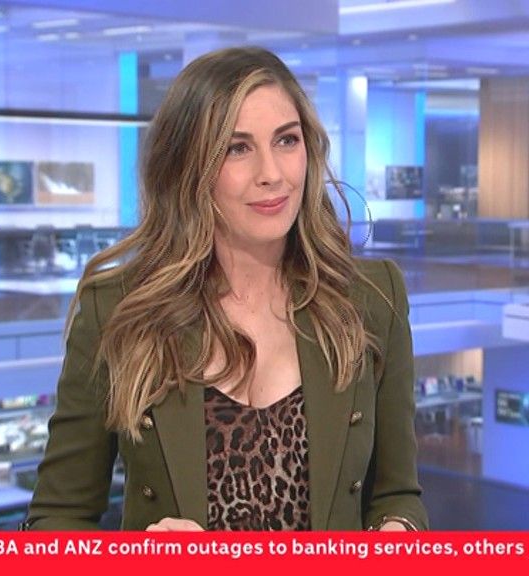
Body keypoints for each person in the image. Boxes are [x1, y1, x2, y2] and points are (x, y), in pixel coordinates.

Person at [24, 46, 428, 532]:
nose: (272, 174)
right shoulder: (116, 309)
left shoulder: (372, 299)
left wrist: (396, 532)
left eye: (287, 140)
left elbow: (398, 496)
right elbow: (55, 520)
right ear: (189, 166)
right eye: (238, 148)